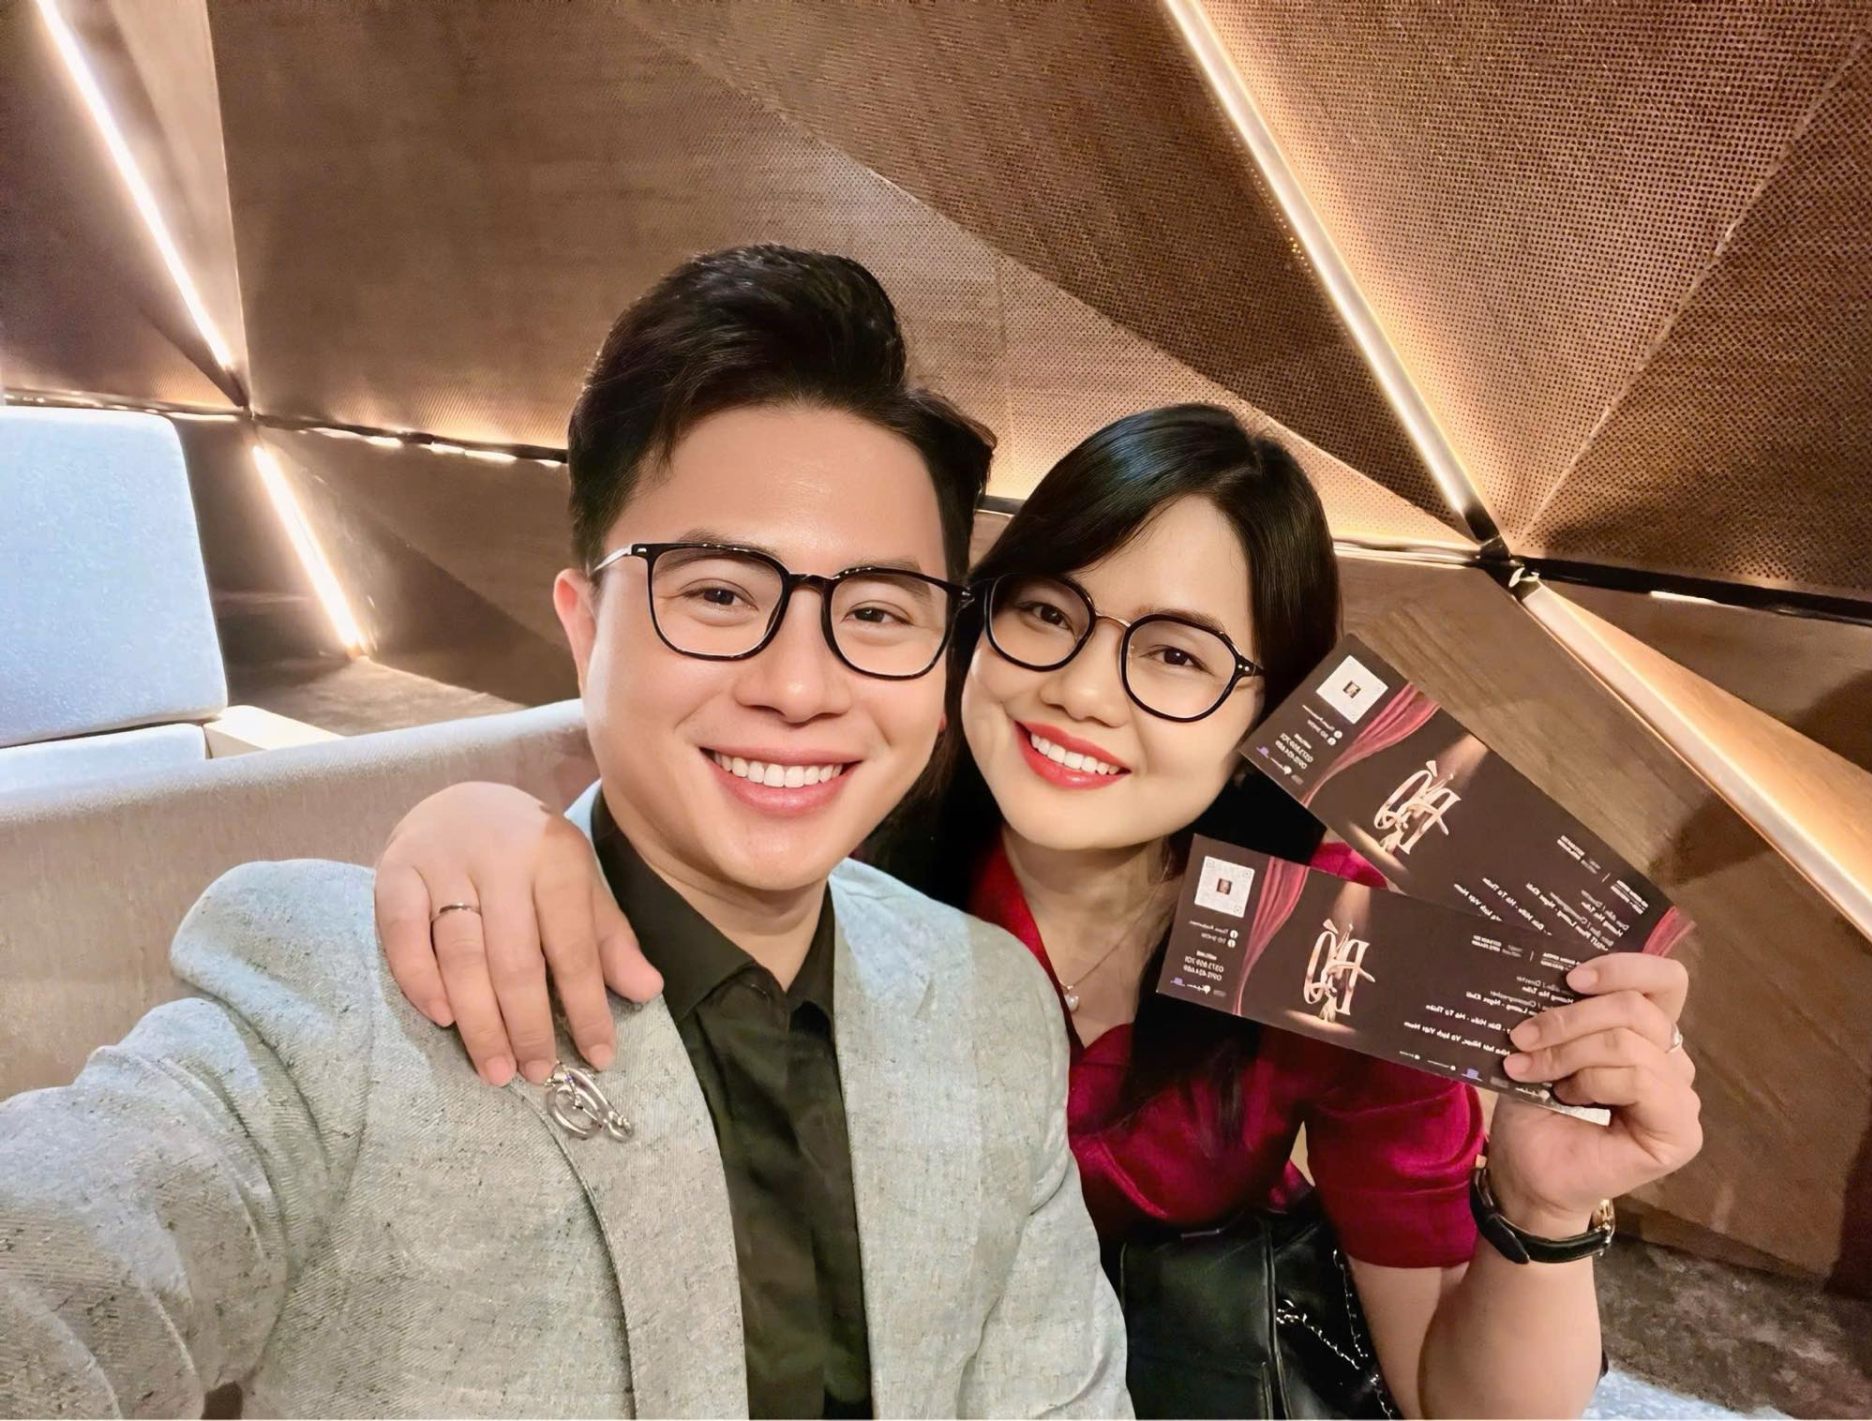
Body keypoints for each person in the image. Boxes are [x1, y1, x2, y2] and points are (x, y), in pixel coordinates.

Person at [377, 403, 1705, 1418]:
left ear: (1278, 716)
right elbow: (644, 841)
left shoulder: (1340, 950)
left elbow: (1457, 1399)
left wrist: (1539, 1208)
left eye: (1176, 654)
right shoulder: (847, 838)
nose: (1081, 687)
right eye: (1047, 613)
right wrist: (476, 822)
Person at [0, 246, 1130, 1418]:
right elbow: (62, 1255)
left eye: (881, 612)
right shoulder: (346, 1004)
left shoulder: (992, 1009)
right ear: (585, 629)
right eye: (719, 593)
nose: (800, 686)